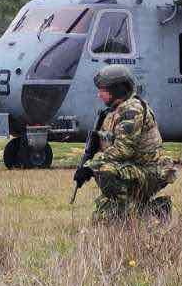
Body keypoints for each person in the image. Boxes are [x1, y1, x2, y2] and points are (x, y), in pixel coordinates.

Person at [74, 65, 176, 221]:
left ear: (116, 90)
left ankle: (147, 214)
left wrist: (89, 166)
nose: (99, 94)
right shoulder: (114, 111)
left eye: (103, 90)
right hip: (134, 168)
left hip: (150, 171)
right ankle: (153, 209)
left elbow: (123, 150)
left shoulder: (132, 110)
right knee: (102, 216)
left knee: (103, 169)